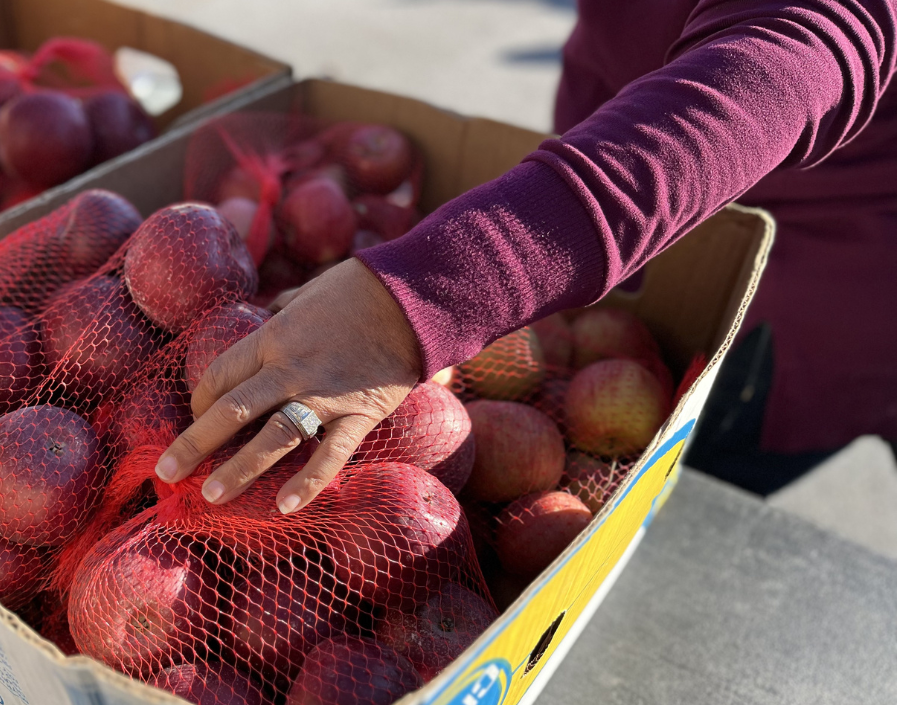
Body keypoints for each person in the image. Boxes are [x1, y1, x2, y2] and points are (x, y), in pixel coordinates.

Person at [156, 0, 897, 513]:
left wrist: (413, 305)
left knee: (700, 510)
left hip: (811, 293)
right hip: (622, 209)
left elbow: (785, 65)